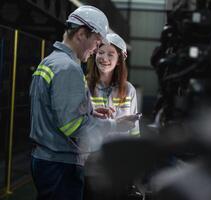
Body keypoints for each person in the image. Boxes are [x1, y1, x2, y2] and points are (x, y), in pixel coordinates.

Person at [29, 6, 137, 200]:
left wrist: (90, 113)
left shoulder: (51, 61)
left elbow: (56, 113)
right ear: (80, 34)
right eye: (97, 42)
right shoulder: (68, 68)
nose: (97, 50)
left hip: (47, 159)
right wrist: (115, 125)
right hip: (60, 164)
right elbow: (73, 126)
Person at [86, 33, 140, 137]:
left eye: (110, 54)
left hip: (119, 151)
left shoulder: (129, 90)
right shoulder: (84, 86)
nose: (104, 58)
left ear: (119, 60)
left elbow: (134, 129)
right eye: (101, 52)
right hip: (91, 150)